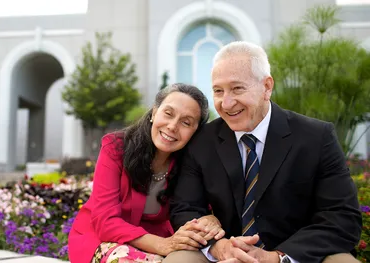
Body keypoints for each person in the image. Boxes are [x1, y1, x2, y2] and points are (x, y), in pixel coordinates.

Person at [166, 41, 362, 263]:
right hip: (224, 253)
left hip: (295, 256)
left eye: (237, 88)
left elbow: (342, 218)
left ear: (267, 87)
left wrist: (276, 257)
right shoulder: (202, 141)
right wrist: (220, 247)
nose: (226, 103)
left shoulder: (317, 137)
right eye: (218, 91)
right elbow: (185, 208)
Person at [68, 83, 226, 263]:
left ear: (195, 133)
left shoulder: (190, 163)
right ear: (154, 112)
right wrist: (164, 245)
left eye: (186, 122)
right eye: (168, 113)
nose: (173, 126)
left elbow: (202, 205)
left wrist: (210, 219)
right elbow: (105, 222)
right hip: (102, 240)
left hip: (156, 244)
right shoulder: (115, 147)